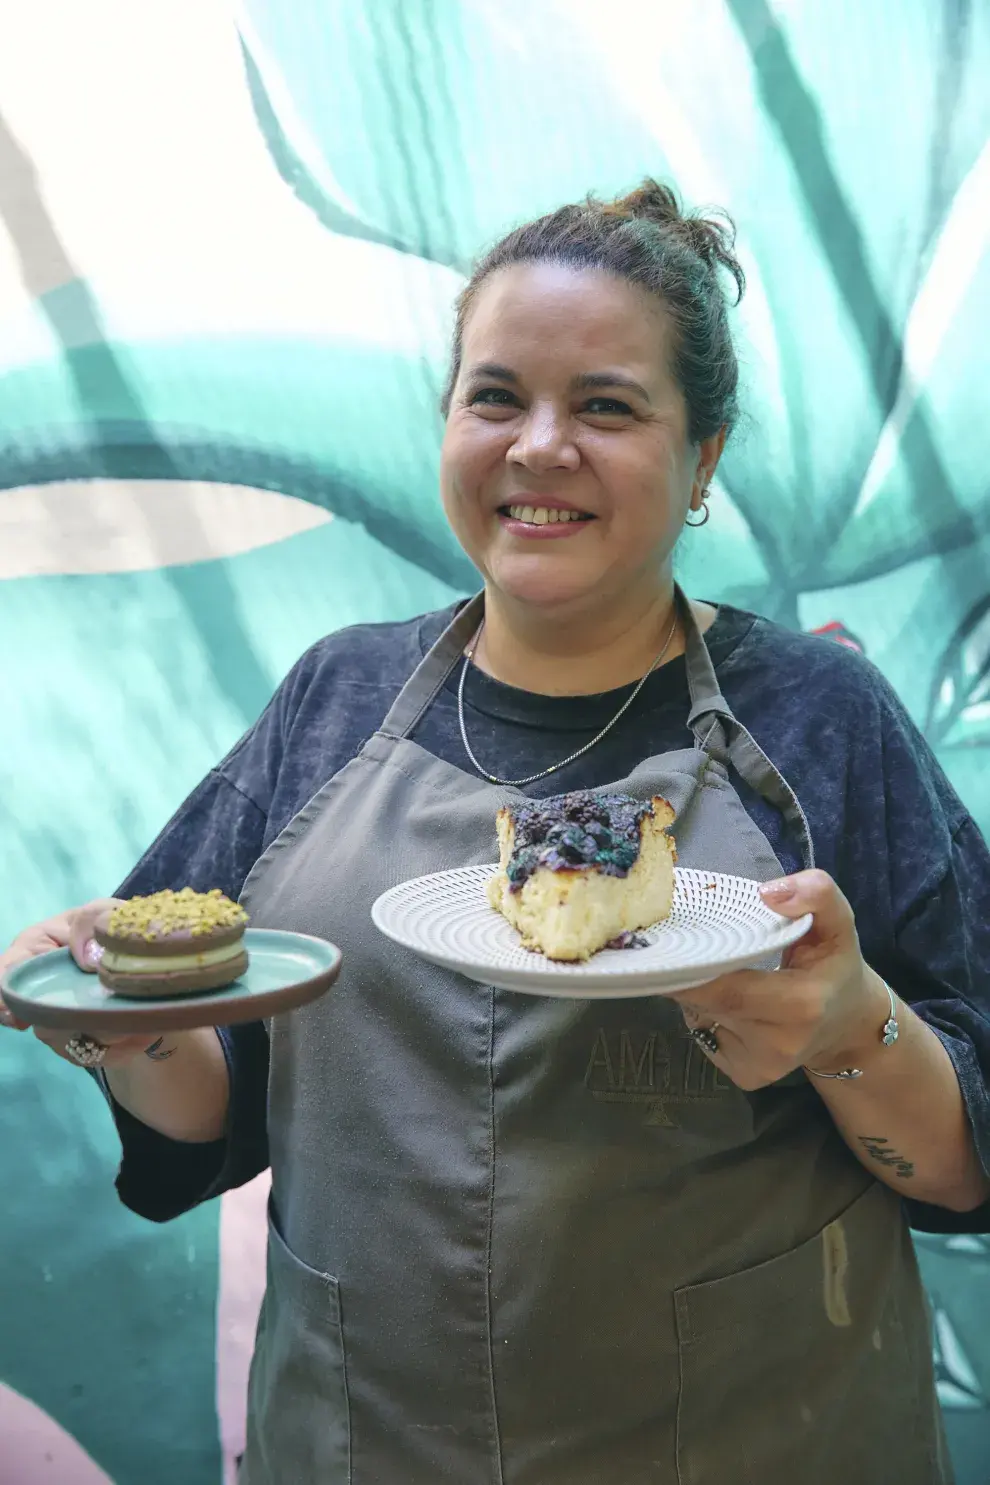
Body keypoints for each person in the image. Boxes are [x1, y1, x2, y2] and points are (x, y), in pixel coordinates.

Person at [3, 180, 990, 1485]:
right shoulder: (331, 697)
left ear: (701, 460)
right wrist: (133, 1032)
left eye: (606, 406)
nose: (537, 445)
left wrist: (848, 1023)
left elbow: (964, 1168)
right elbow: (210, 1116)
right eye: (494, 396)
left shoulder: (816, 717)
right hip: (363, 1442)